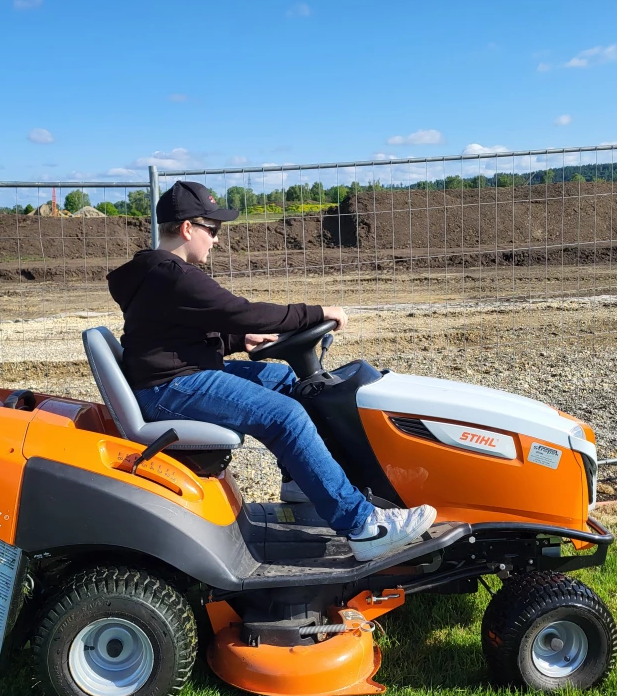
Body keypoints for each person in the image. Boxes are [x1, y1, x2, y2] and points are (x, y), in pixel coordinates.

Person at [106, 180, 435, 562]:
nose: (216, 240)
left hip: (172, 377)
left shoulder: (155, 274)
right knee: (287, 416)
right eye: (212, 230)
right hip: (170, 389)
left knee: (283, 381)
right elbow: (239, 311)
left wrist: (236, 341)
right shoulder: (175, 276)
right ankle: (363, 527)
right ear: (187, 228)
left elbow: (172, 333)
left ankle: (300, 483)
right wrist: (317, 312)